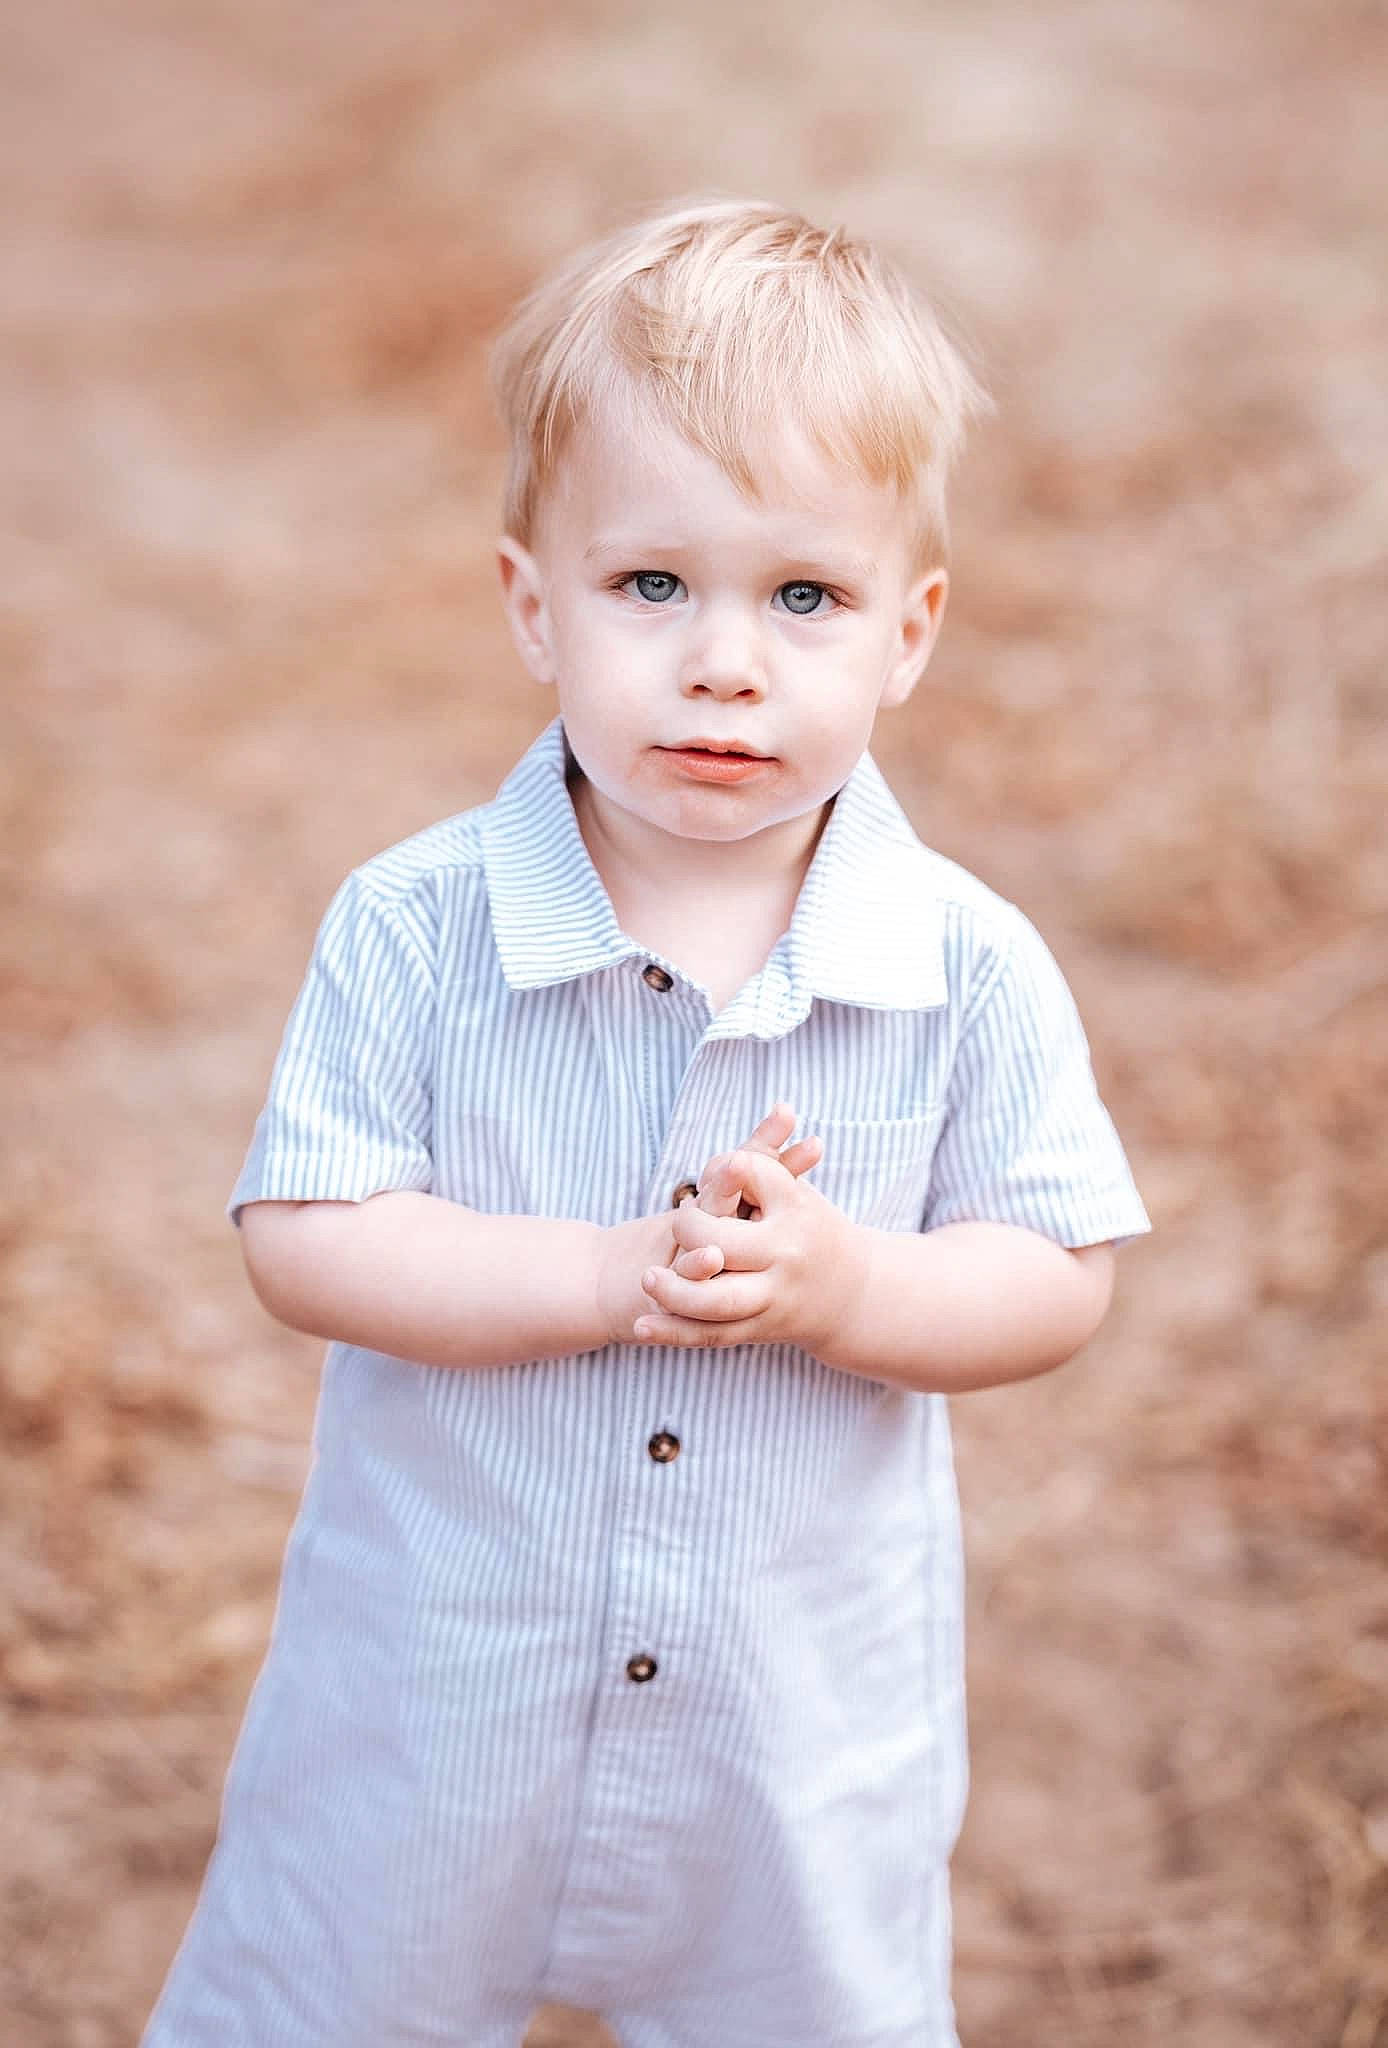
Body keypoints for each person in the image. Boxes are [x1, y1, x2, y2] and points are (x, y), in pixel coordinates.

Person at [140, 197, 1150, 2048]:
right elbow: (307, 1228)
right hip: (440, 1690)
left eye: (805, 597)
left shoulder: (965, 964)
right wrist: (605, 1271)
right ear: (536, 603)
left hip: (788, 1725)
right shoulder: (413, 925)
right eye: (653, 585)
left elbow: (1056, 1269)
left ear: (909, 635)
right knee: (336, 1999)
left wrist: (849, 1289)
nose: (726, 661)